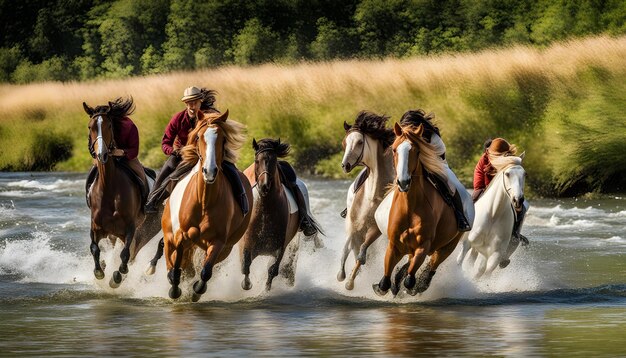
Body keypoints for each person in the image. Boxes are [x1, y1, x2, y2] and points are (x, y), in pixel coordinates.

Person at [145, 86, 219, 213]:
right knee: (165, 170)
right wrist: (172, 151)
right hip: (181, 154)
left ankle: (241, 196)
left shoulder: (210, 116)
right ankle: (152, 200)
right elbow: (166, 142)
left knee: (230, 168)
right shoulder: (178, 119)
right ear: (185, 103)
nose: (191, 106)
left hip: (206, 153)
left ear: (200, 101)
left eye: (194, 102)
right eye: (188, 103)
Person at [399, 109, 471, 231]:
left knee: (452, 186)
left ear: (415, 126)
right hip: (414, 167)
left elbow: (439, 155)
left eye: (407, 127)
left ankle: (461, 216)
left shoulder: (433, 137)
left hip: (438, 166)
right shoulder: (405, 137)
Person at [85, 97, 148, 204]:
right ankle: (90, 199)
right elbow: (92, 146)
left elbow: (134, 151)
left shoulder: (128, 126)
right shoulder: (98, 126)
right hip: (104, 157)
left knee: (141, 177)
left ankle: (146, 203)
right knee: (90, 177)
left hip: (127, 158)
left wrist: (121, 152)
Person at [473, 138, 529, 245]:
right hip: (484, 186)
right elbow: (480, 175)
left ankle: (515, 232)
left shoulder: (508, 159)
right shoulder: (484, 159)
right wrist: (482, 189)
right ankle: (465, 224)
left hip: (505, 189)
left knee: (523, 207)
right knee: (473, 199)